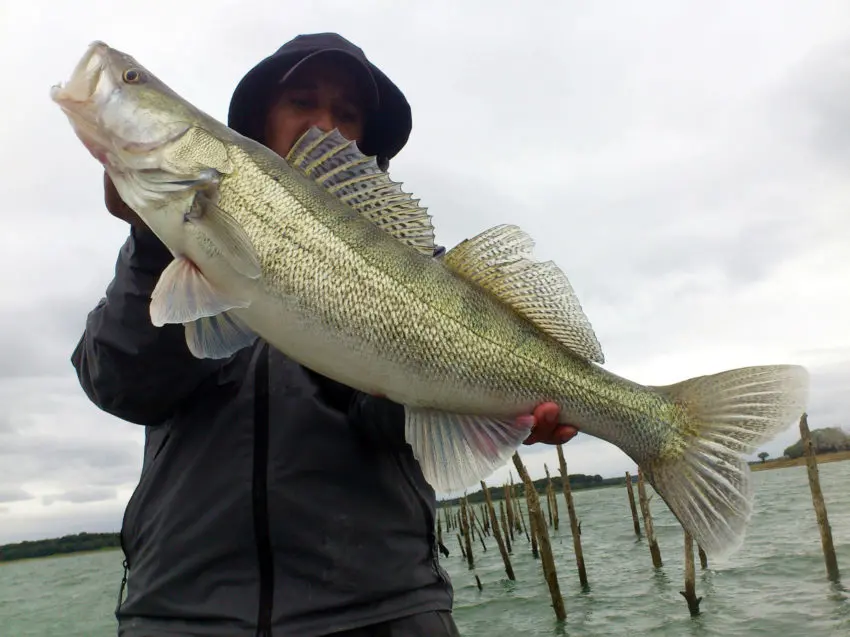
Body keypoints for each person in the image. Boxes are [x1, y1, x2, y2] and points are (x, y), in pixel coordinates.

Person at [72, 32, 578, 637]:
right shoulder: (180, 250)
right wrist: (155, 242)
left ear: (367, 139)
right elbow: (120, 385)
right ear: (260, 122)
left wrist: (504, 411)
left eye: (348, 114)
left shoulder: (421, 274)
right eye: (302, 103)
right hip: (182, 613)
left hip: (382, 612)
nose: (325, 126)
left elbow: (397, 429)